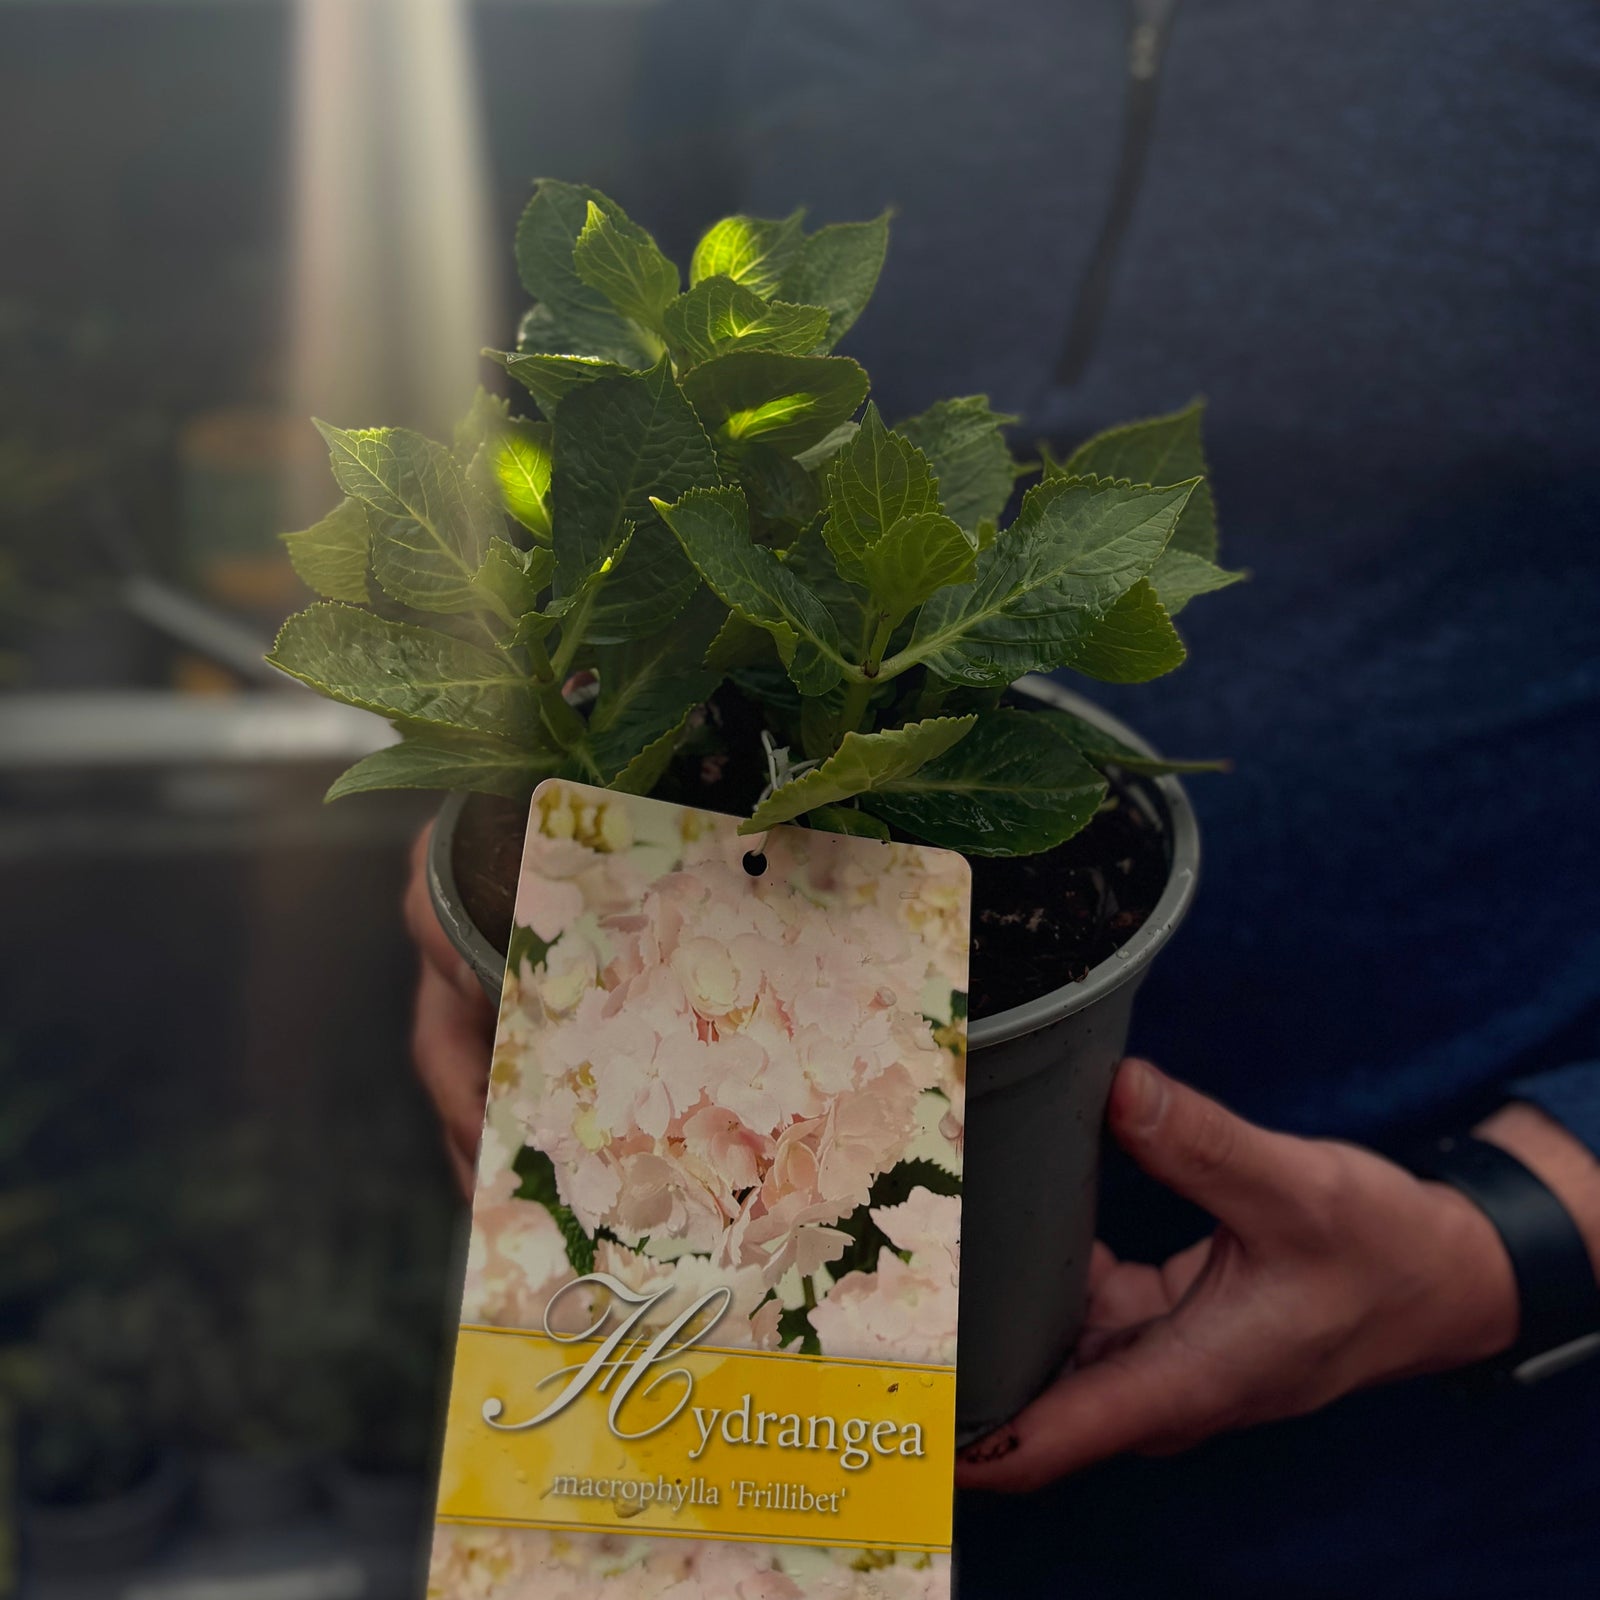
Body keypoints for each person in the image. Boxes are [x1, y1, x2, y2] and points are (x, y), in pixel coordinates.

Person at [405, 1, 1600, 1592]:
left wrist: (1525, 1224)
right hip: (705, 1365)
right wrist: (514, 829)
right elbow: (631, 457)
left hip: (1432, 1450)